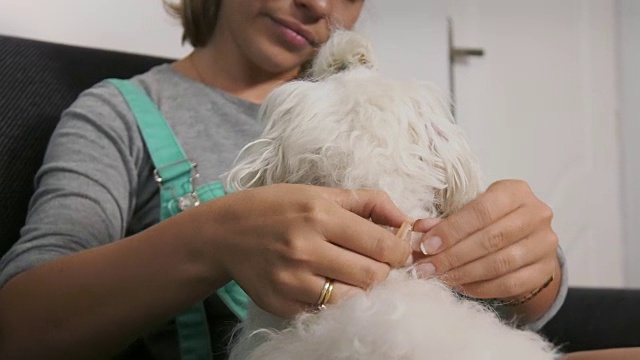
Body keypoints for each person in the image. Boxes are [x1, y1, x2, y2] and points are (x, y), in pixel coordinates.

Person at [0, 0, 567, 359]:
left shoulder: (395, 112)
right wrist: (209, 240)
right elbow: (18, 327)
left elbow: (531, 304)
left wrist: (529, 272)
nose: (318, 5)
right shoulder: (119, 114)